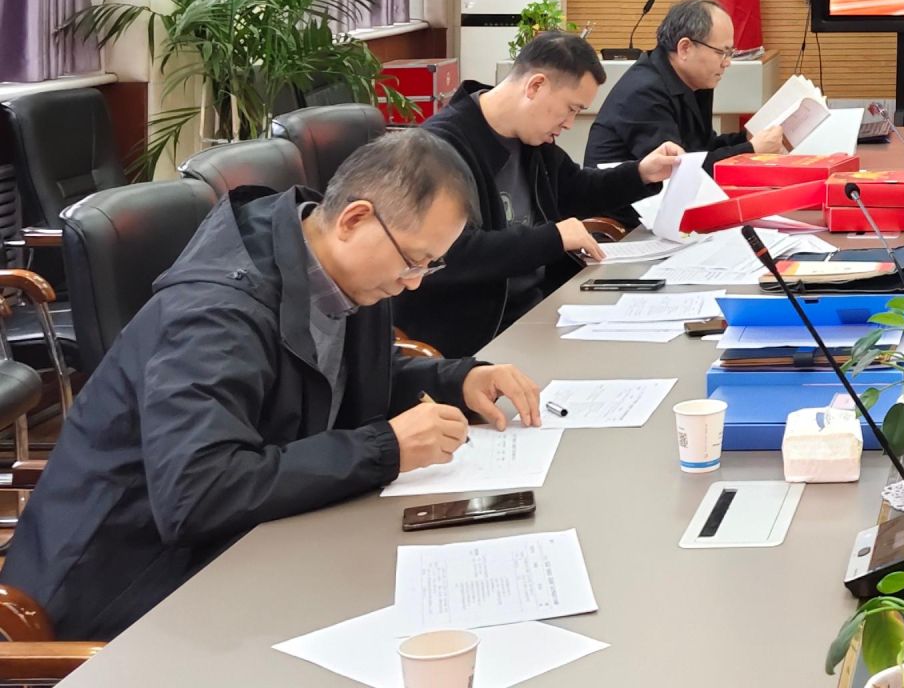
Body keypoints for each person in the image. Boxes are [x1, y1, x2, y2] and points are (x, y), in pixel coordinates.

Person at [4, 131, 541, 640]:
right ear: (355, 219)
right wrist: (385, 449)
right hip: (125, 594)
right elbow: (199, 494)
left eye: (428, 265)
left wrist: (458, 379)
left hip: (246, 550)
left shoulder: (337, 269)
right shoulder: (216, 314)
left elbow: (339, 377)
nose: (415, 282)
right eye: (412, 261)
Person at [400, 30, 684, 356]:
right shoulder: (438, 149)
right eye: (571, 109)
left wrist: (641, 173)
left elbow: (577, 189)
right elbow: (447, 255)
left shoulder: (531, 140)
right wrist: (552, 238)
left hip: (542, 311)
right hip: (479, 333)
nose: (570, 123)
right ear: (535, 86)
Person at [587, 0, 787, 172]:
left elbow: (702, 148)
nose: (727, 62)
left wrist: (748, 139)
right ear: (685, 48)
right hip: (626, 203)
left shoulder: (693, 82)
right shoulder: (643, 92)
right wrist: (751, 150)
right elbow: (675, 170)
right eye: (721, 52)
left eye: (730, 53)